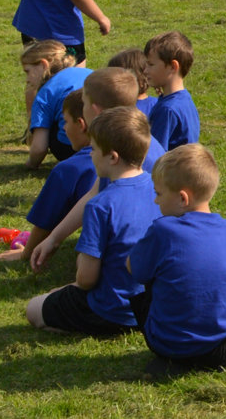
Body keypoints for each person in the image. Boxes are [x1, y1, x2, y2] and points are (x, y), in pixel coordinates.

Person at [24, 107, 158, 339]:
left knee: (33, 309)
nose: (91, 154)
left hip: (110, 310)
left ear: (112, 157)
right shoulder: (159, 190)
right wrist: (53, 239)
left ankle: (86, 327)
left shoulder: (101, 206)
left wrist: (79, 265)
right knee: (59, 292)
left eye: (93, 149)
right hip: (149, 306)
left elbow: (85, 280)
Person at [128, 144, 226, 372]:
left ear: (182, 198)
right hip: (222, 349)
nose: (156, 201)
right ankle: (218, 347)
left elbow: (135, 269)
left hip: (166, 344)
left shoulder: (162, 231)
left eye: (159, 194)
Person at [0, 88, 94, 264]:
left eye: (65, 121)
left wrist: (26, 253)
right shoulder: (147, 146)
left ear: (81, 124)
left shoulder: (69, 169)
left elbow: (45, 222)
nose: (63, 128)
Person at [22, 40, 92, 167]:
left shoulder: (45, 92)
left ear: (43, 65)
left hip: (70, 149)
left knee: (48, 124)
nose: (27, 79)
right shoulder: (89, 73)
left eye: (27, 71)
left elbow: (39, 148)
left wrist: (31, 164)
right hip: (104, 142)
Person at [144, 31, 200, 151]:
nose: (145, 70)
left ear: (173, 66)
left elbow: (156, 154)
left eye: (151, 65)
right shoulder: (185, 99)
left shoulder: (167, 110)